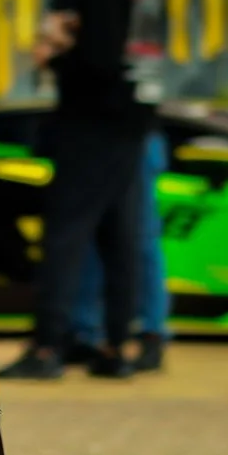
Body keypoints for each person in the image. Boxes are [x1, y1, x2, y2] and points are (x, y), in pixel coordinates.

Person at [2, 0, 165, 381]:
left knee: (66, 237)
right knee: (120, 239)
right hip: (135, 127)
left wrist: (57, 55)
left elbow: (96, 63)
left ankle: (48, 347)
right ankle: (118, 347)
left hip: (92, 127)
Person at [69, 130, 172, 370]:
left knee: (137, 236)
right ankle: (86, 333)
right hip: (103, 133)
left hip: (130, 135)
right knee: (96, 237)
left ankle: (151, 333)